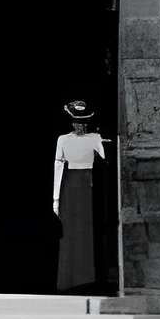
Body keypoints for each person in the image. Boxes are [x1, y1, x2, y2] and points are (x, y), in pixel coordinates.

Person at [51, 99, 110, 294]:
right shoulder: (63, 139)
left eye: (83, 122)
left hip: (88, 185)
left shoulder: (94, 138)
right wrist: (55, 199)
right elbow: (58, 167)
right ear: (72, 122)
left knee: (87, 229)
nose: (80, 126)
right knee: (69, 231)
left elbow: (105, 159)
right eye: (77, 121)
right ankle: (68, 279)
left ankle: (88, 278)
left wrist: (102, 142)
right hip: (70, 186)